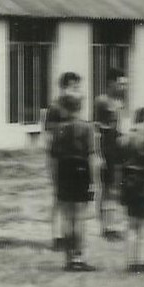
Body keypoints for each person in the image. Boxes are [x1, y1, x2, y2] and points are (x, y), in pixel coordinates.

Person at [49, 91, 97, 272]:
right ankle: (79, 257)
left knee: (67, 217)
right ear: (80, 107)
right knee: (80, 217)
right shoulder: (87, 128)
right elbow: (92, 156)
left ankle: (69, 258)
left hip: (63, 171)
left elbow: (53, 159)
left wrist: (55, 180)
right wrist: (93, 181)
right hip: (81, 170)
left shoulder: (58, 130)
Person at [117, 107, 144, 273]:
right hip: (143, 184)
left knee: (131, 224)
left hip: (127, 184)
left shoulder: (124, 140)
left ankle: (131, 261)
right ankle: (141, 260)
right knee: (143, 225)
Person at [45, 72, 84, 251]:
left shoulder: (75, 106)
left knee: (69, 199)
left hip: (71, 158)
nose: (76, 90)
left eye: (77, 86)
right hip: (58, 157)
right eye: (73, 86)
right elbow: (49, 134)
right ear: (65, 87)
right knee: (58, 197)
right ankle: (56, 236)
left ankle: (66, 235)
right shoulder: (55, 107)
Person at [92, 71, 128, 242]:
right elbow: (97, 130)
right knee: (106, 188)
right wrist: (98, 153)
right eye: (120, 83)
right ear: (111, 83)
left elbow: (119, 127)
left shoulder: (120, 102)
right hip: (106, 149)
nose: (123, 87)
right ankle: (105, 227)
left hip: (118, 149)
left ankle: (112, 225)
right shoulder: (101, 101)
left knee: (114, 188)